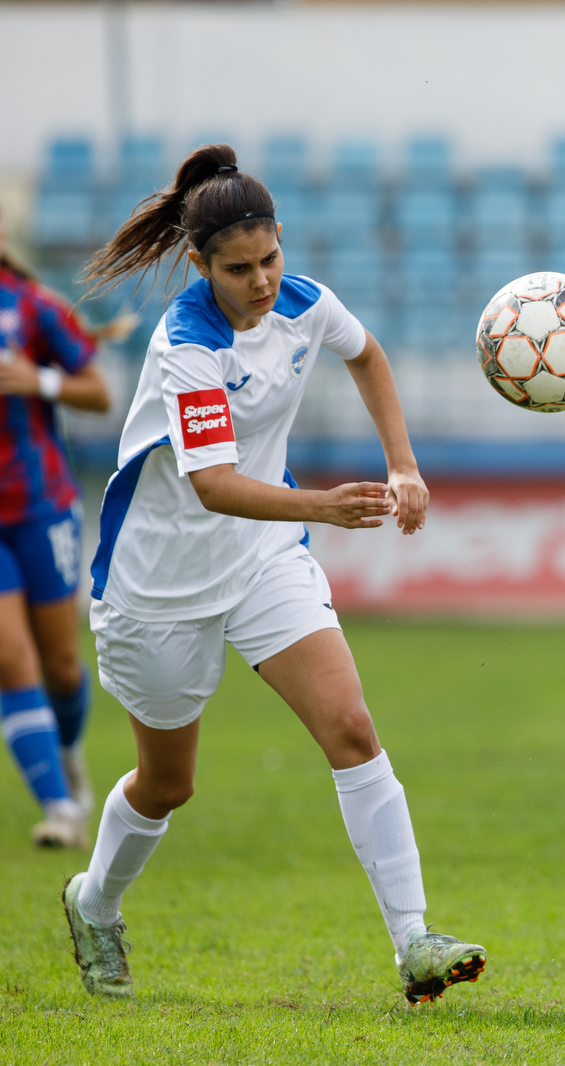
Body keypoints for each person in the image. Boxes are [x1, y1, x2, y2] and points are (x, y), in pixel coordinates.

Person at [58, 144, 485, 1005]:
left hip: (261, 560)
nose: (260, 282)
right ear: (200, 264)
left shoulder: (304, 303)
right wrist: (323, 508)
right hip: (157, 586)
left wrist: (402, 466)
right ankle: (93, 901)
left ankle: (414, 941)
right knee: (168, 784)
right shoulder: (186, 347)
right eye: (238, 269)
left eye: (270, 260)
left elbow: (367, 356)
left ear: (282, 241)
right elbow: (213, 486)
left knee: (353, 730)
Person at [0, 209, 115, 848]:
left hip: (42, 508)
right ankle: (60, 810)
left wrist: (37, 379)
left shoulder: (34, 307)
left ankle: (70, 760)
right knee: (10, 659)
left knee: (61, 666)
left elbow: (99, 392)